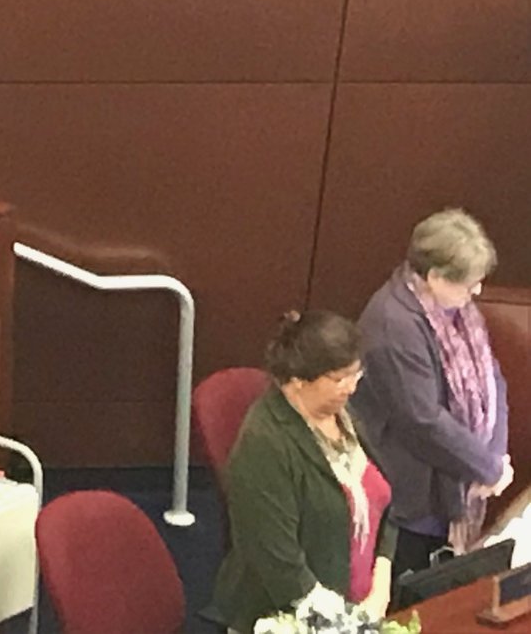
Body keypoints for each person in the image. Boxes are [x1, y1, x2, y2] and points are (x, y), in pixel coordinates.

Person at [352, 208, 513, 581]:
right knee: (411, 589)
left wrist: (495, 455)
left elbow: (493, 377)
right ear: (435, 277)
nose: (477, 291)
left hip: (457, 469)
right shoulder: (393, 325)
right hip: (411, 489)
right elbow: (422, 421)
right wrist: (487, 467)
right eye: (469, 283)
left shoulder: (455, 308)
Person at [210, 309, 391, 631]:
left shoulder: (343, 415)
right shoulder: (264, 445)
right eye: (339, 378)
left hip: (362, 604)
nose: (351, 387)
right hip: (290, 618)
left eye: (356, 374)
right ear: (297, 381)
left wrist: (382, 586)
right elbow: (280, 565)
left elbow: (382, 496)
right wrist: (349, 624)